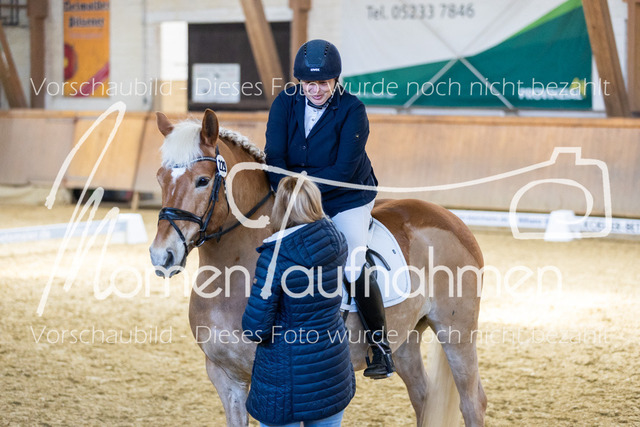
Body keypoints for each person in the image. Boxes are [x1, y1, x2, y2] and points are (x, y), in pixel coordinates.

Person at [264, 39, 395, 379]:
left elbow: (343, 171)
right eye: (309, 83)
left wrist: (300, 194)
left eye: (323, 82)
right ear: (300, 82)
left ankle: (380, 346)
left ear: (335, 80)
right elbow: (274, 156)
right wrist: (287, 192)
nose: (316, 89)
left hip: (347, 196)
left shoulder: (353, 110)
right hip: (295, 196)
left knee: (352, 260)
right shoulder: (285, 102)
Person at [242, 176, 355, 426]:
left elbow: (255, 328)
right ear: (315, 203)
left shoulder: (274, 257)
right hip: (332, 367)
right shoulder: (338, 240)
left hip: (283, 380)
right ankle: (380, 349)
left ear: (280, 208)